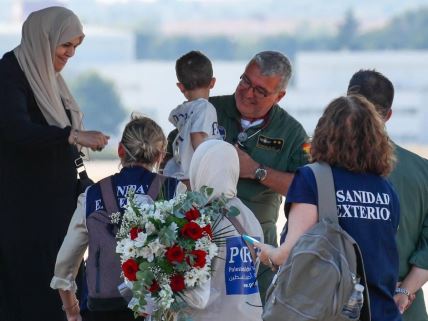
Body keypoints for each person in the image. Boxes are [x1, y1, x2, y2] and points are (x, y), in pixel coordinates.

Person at [0, 7, 109, 321]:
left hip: (57, 213)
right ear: (44, 40)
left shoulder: (49, 80)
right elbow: (17, 130)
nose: (70, 53)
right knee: (35, 293)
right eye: (65, 45)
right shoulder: (10, 74)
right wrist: (73, 136)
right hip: (26, 217)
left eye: (75, 47)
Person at [255, 95, 402, 321]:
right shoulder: (386, 188)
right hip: (383, 312)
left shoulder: (312, 178)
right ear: (375, 138)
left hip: (332, 312)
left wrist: (264, 252)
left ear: (325, 133)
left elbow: (288, 254)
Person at [51, 115, 186, 321]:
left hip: (102, 308)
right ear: (160, 156)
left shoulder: (92, 195)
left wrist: (71, 310)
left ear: (120, 150)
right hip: (155, 308)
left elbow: (65, 263)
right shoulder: (174, 190)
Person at [209, 50, 309, 301]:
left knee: (254, 310)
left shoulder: (292, 133)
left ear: (280, 96)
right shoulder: (208, 111)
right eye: (245, 81)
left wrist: (257, 170)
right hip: (200, 242)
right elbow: (170, 165)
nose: (248, 92)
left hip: (254, 248)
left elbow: (307, 190)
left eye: (261, 91)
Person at [348, 69, 428, 321]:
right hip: (402, 307)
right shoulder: (421, 170)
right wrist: (405, 291)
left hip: (340, 304)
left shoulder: (322, 168)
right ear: (388, 115)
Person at [187, 139, 264, 321]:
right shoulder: (249, 216)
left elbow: (192, 287)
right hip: (249, 315)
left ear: (200, 168)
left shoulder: (197, 221)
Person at [163, 50, 220, 183]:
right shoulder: (205, 108)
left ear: (181, 87)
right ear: (212, 82)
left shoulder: (182, 111)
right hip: (196, 177)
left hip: (180, 173)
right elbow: (197, 136)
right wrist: (207, 169)